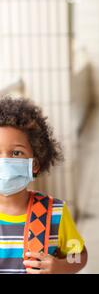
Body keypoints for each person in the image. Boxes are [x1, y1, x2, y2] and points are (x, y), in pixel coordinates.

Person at [0, 97, 87, 274]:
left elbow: (78, 254)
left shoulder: (55, 212)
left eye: (16, 153)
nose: (5, 162)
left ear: (35, 163)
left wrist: (61, 266)